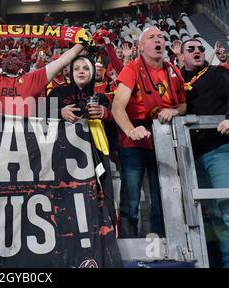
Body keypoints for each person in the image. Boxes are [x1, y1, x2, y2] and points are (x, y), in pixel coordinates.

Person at [112, 26, 187, 238]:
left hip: (164, 140)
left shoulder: (173, 70)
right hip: (135, 142)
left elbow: (183, 105)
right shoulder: (132, 69)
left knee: (164, 197)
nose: (158, 40)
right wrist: (130, 130)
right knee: (131, 200)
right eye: (152, 37)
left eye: (161, 37)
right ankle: (129, 248)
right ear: (141, 46)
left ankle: (165, 243)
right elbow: (117, 107)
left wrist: (173, 110)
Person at [180, 38, 229, 267]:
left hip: (220, 150)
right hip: (192, 157)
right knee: (213, 216)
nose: (197, 51)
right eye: (191, 49)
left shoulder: (216, 73)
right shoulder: (176, 80)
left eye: (200, 48)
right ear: (182, 56)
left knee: (227, 209)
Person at [0, 42, 88, 117]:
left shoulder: (33, 78)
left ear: (24, 63)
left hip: (25, 143)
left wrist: (82, 43)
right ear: (1, 62)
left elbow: (63, 60)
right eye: (9, 55)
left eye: (16, 55)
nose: (12, 57)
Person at [48, 56, 112, 123]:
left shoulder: (101, 98)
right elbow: (41, 116)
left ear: (92, 73)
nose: (81, 71)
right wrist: (60, 113)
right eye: (76, 69)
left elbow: (117, 120)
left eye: (86, 68)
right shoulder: (57, 92)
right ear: (72, 73)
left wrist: (105, 113)